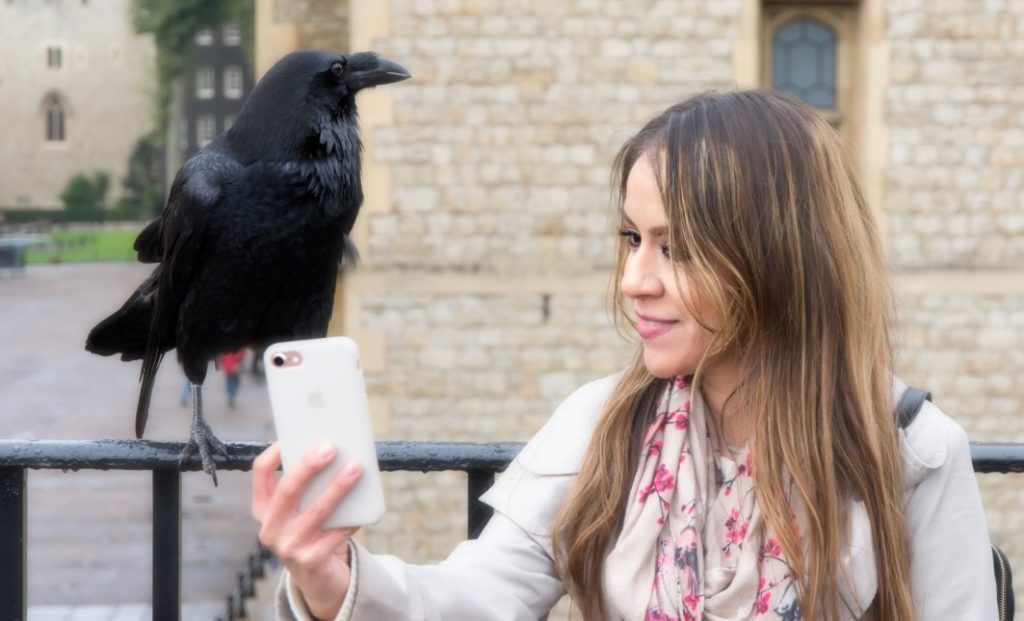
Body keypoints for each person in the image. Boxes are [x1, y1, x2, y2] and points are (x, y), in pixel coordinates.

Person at [251, 90, 998, 620]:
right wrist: (335, 577)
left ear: (775, 256)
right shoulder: (603, 424)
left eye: (676, 248)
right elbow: (478, 596)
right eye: (632, 239)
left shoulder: (911, 453)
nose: (635, 280)